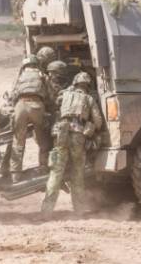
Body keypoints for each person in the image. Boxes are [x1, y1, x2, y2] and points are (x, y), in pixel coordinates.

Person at [41, 72, 103, 216]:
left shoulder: (64, 94)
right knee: (77, 174)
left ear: (75, 83)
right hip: (78, 136)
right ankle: (79, 211)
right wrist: (91, 127)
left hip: (60, 133)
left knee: (55, 173)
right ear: (88, 85)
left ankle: (46, 211)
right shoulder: (89, 98)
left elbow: (55, 107)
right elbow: (98, 121)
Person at [8, 47, 56, 183]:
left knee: (18, 141)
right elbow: (50, 95)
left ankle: (15, 174)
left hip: (21, 105)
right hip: (36, 106)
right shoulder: (42, 75)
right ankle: (43, 167)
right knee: (42, 139)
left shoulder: (20, 76)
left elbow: (13, 95)